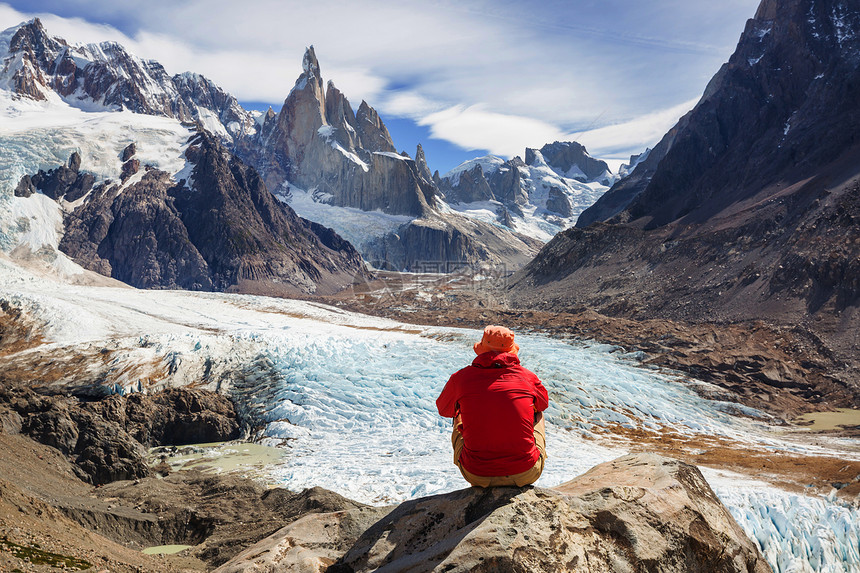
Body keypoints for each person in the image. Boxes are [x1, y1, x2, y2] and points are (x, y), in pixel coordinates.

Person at [436, 325, 548, 487]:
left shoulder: (461, 378)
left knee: (457, 412)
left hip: (476, 474)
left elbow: (444, 410)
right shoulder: (527, 377)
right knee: (538, 413)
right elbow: (542, 404)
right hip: (526, 472)